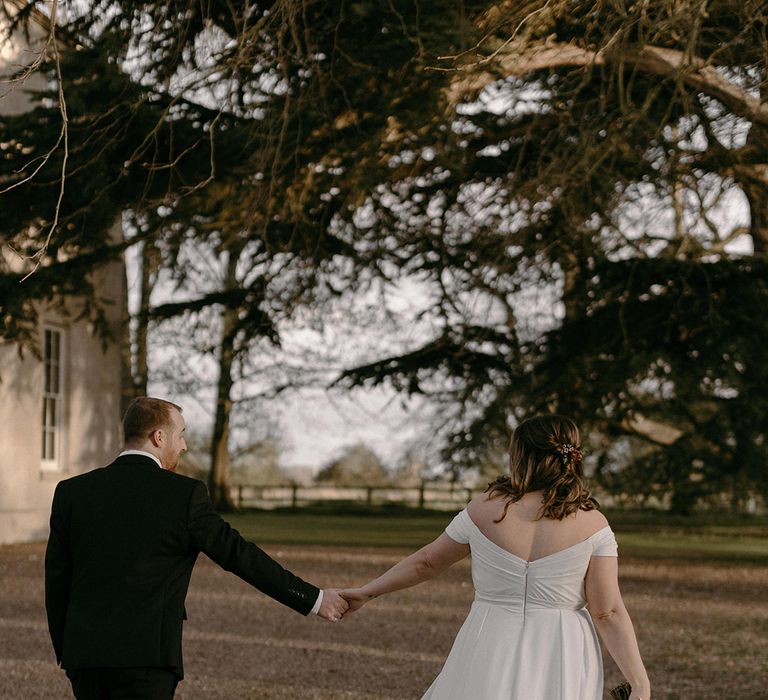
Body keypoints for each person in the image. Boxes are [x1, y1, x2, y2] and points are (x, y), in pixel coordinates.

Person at [45, 396, 349, 700]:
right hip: (148, 658)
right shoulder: (184, 495)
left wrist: (67, 650)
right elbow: (239, 555)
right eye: (181, 434)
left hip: (85, 657)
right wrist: (314, 599)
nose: (184, 446)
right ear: (158, 437)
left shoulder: (73, 492)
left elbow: (57, 580)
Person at [340, 415, 651, 700]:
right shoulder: (594, 523)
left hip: (489, 637)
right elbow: (607, 612)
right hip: (562, 647)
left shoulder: (483, 510)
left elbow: (427, 562)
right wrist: (639, 682)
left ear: (519, 457)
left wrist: (368, 591)